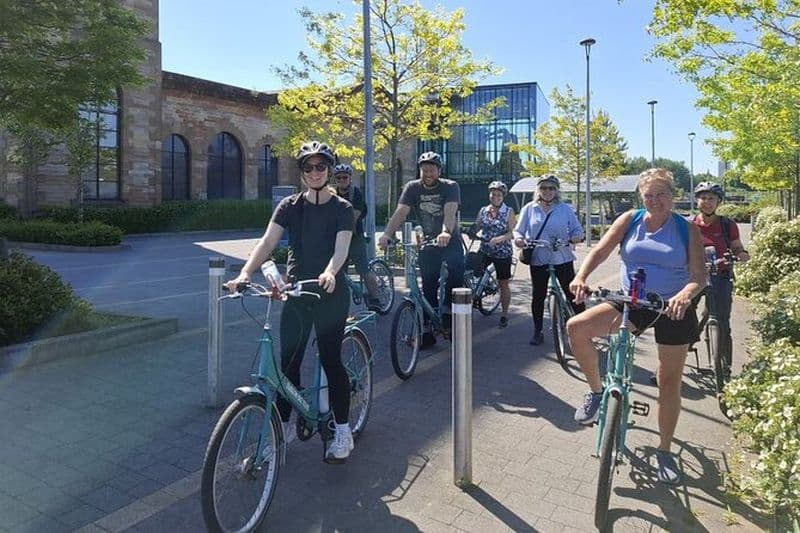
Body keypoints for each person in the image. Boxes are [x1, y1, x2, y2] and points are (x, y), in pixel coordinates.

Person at [566, 168, 706, 485]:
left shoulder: (686, 229)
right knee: (577, 327)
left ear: (673, 196)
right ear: (641, 197)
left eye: (661, 194)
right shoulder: (630, 220)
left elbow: (698, 276)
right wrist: (581, 276)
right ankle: (597, 393)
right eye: (649, 195)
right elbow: (601, 250)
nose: (655, 201)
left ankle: (665, 451)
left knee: (668, 380)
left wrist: (684, 295)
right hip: (632, 302)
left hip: (672, 307)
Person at [225, 141, 356, 462]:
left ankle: (343, 431)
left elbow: (341, 249)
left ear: (329, 169)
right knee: (287, 366)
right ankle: (280, 431)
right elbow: (268, 241)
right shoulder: (289, 206)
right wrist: (244, 273)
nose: (315, 172)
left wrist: (330, 272)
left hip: (329, 292)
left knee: (331, 359)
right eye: (308, 167)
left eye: (321, 167)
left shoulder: (342, 209)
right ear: (301, 172)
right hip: (296, 291)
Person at [378, 151, 464, 346]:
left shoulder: (450, 187)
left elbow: (450, 211)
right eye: (424, 169)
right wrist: (387, 234)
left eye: (432, 169)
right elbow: (401, 212)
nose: (428, 173)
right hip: (427, 240)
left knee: (456, 266)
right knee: (428, 283)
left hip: (449, 237)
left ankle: (449, 308)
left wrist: (446, 232)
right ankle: (427, 331)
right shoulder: (412, 188)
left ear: (439, 171)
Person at [513, 175, 584, 345]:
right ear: (538, 190)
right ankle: (538, 331)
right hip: (539, 258)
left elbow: (578, 230)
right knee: (538, 295)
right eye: (544, 188)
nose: (547, 191)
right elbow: (518, 230)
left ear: (556, 190)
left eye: (551, 188)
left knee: (573, 294)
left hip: (562, 257)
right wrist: (519, 239)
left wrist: (575, 238)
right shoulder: (529, 209)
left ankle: (583, 329)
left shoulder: (564, 209)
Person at [691, 181, 750, 371]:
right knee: (680, 318)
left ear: (718, 202)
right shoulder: (688, 224)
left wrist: (741, 254)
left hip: (720, 275)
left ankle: (725, 364)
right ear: (697, 201)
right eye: (703, 198)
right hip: (692, 278)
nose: (707, 202)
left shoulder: (727, 224)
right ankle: (667, 365)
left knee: (722, 320)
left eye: (712, 198)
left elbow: (737, 246)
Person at [332, 163, 382, 311]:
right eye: (339, 178)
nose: (342, 180)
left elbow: (354, 216)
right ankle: (338, 305)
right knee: (338, 273)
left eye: (345, 177)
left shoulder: (356, 194)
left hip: (354, 237)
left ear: (350, 179)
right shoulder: (331, 193)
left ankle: (375, 299)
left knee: (363, 269)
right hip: (337, 238)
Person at [471, 180, 517, 328]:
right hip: (485, 249)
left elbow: (513, 233)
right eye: (493, 194)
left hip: (502, 253)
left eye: (498, 194)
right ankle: (477, 292)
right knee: (471, 273)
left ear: (503, 196)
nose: (495, 196)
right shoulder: (484, 210)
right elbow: (478, 225)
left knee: (503, 283)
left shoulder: (508, 211)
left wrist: (500, 238)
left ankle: (504, 314)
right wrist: (471, 231)